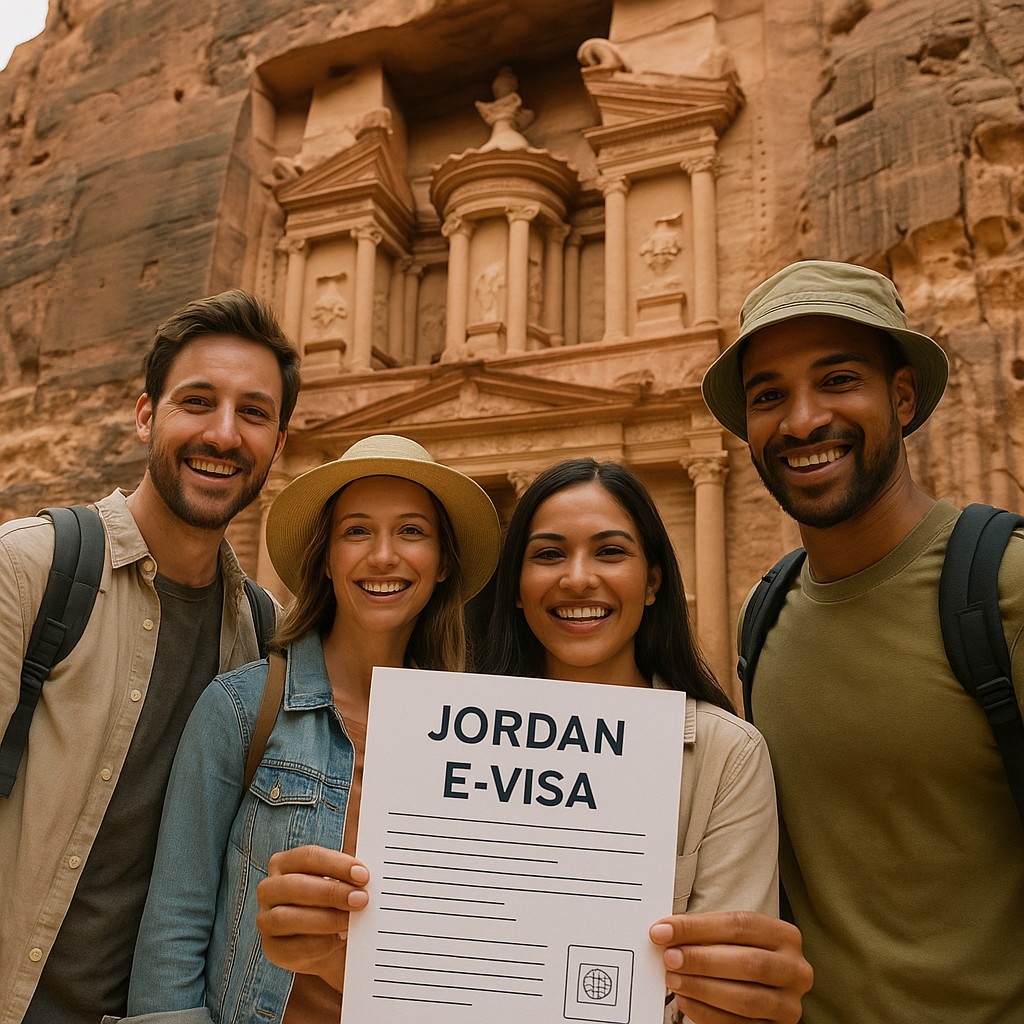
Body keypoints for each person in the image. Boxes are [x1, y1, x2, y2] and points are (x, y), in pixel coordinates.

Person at [700, 259, 1024, 1023]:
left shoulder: (1002, 588)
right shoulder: (767, 613)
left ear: (902, 396)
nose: (804, 420)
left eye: (839, 379)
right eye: (768, 395)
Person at [120, 434, 501, 1023]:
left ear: (444, 560)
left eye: (411, 531)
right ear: (326, 557)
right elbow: (175, 926)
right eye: (356, 531)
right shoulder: (242, 708)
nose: (383, 556)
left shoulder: (487, 738)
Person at [0, 290, 299, 1024]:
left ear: (279, 445)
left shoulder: (264, 635)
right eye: (198, 401)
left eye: (254, 413)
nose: (224, 434)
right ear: (145, 416)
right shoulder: (33, 569)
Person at [477, 458, 812, 1024]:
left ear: (653, 581)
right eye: (548, 554)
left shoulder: (725, 755)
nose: (578, 578)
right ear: (514, 587)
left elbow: (718, 1002)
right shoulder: (448, 739)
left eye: (610, 551)